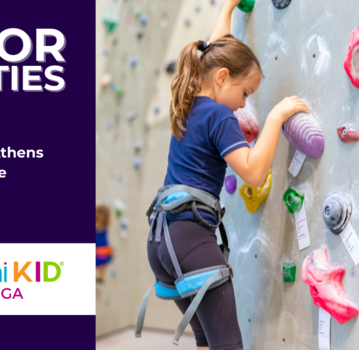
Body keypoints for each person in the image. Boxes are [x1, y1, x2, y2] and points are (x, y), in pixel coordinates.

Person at [146, 1, 309, 349]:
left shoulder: (187, 98)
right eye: (245, 93)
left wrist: (227, 10)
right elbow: (251, 172)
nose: (242, 103)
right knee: (228, 345)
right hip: (190, 239)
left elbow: (213, 51)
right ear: (222, 78)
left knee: (207, 339)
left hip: (161, 242)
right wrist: (277, 117)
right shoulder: (220, 115)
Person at [96, 203, 113, 284]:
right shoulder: (105, 225)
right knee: (103, 265)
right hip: (106, 250)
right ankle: (101, 276)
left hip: (97, 251)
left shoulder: (96, 226)